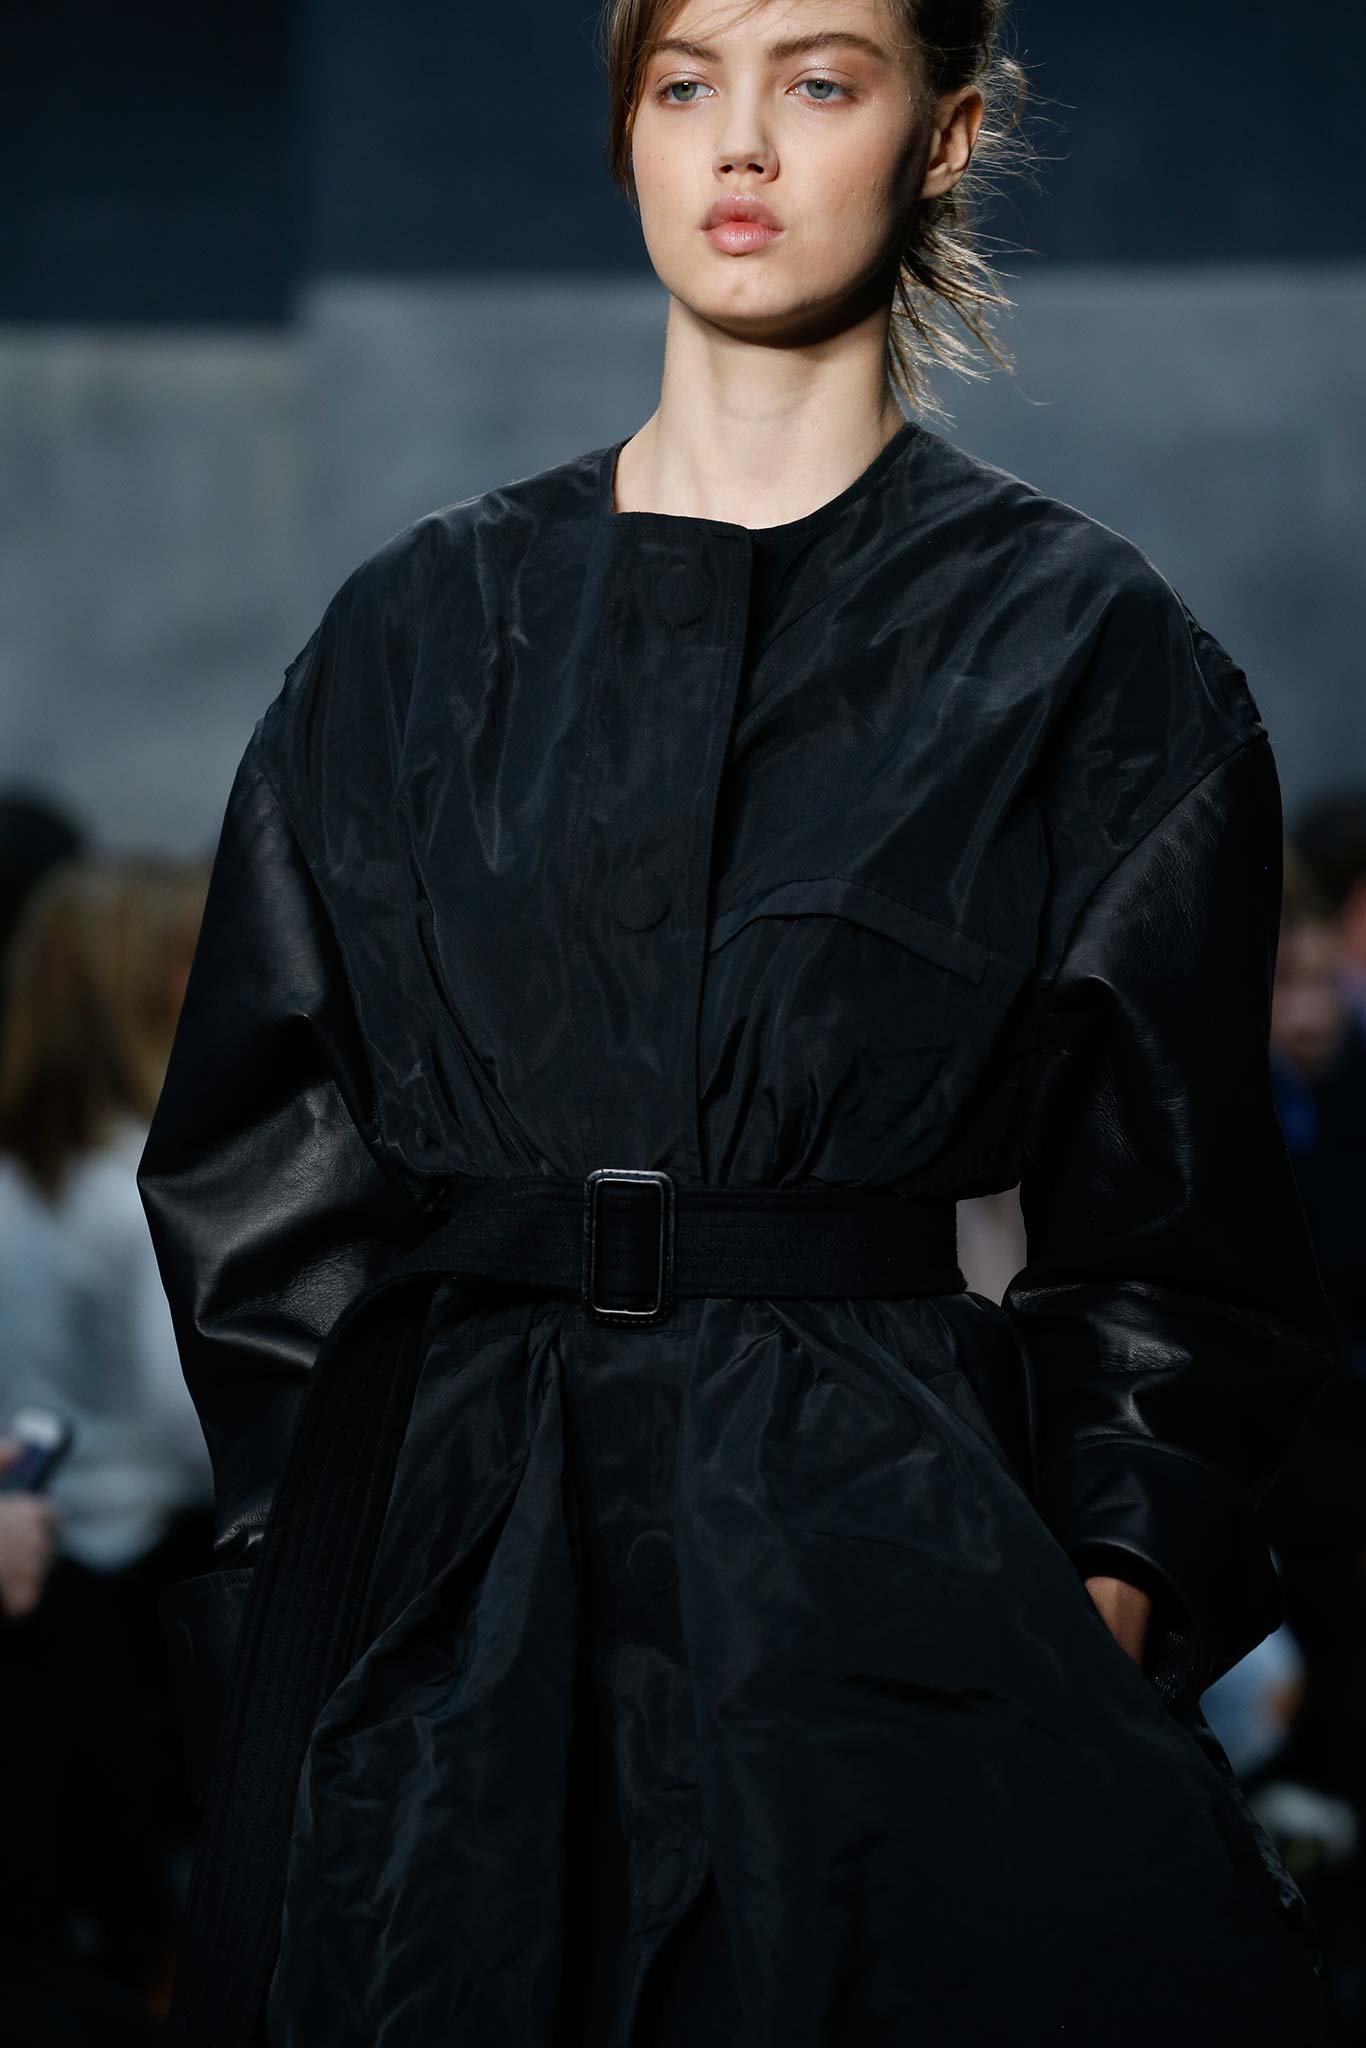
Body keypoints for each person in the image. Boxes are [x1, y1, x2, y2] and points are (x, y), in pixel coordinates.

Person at [138, 1, 1345, 2041]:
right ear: (624, 130)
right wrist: (332, 1573)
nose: (743, 147)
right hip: (464, 1606)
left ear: (943, 134)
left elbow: (1180, 1240)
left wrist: (1098, 1602)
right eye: (686, 81)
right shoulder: (417, 634)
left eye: (820, 80)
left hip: (886, 1584)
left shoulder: (1082, 649)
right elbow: (263, 1162)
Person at [0, 854, 215, 2005]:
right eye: (187, 962)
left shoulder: (19, 1179)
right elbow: (190, 1417)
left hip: (38, 1556)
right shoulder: (142, 1188)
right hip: (138, 1574)